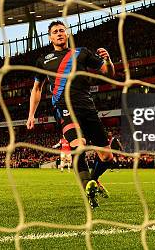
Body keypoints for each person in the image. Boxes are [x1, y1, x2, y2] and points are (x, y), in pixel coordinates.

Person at [27, 20, 115, 208]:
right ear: (50, 37)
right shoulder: (43, 61)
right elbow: (36, 89)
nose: (59, 33)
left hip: (88, 108)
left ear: (67, 34)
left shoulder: (81, 53)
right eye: (55, 32)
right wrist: (31, 115)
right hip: (64, 108)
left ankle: (92, 180)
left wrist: (108, 60)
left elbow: (108, 72)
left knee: (107, 158)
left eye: (62, 30)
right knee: (78, 145)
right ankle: (88, 190)